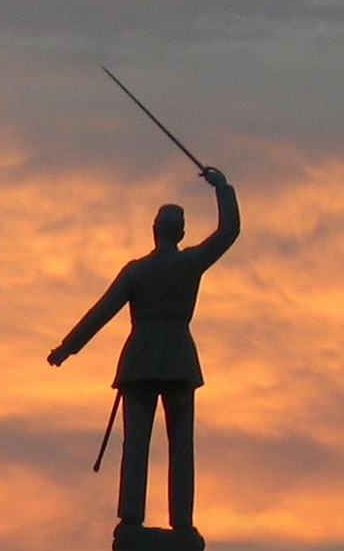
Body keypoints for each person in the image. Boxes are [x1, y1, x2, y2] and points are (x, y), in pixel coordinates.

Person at [48, 168, 239, 530]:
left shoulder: (137, 271)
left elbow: (101, 312)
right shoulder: (190, 262)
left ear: (155, 230)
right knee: (181, 445)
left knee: (135, 443)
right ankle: (181, 520)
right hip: (178, 359)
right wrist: (222, 188)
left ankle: (132, 515)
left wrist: (67, 347)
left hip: (140, 361)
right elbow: (228, 232)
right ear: (180, 233)